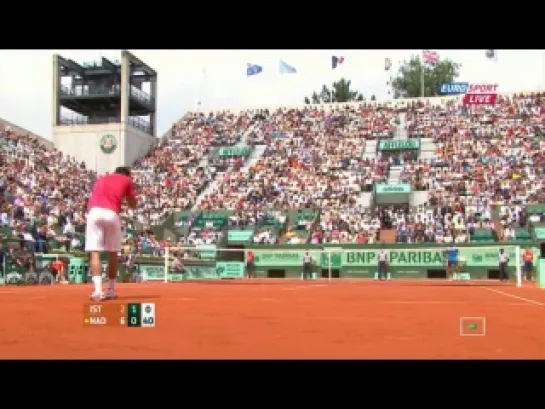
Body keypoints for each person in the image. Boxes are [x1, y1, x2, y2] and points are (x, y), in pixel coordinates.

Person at [86, 167, 137, 301]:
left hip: (94, 212)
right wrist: (129, 200)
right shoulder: (127, 180)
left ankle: (97, 291)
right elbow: (133, 204)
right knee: (112, 253)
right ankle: (111, 290)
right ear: (127, 174)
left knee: (95, 253)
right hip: (111, 213)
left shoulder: (102, 178)